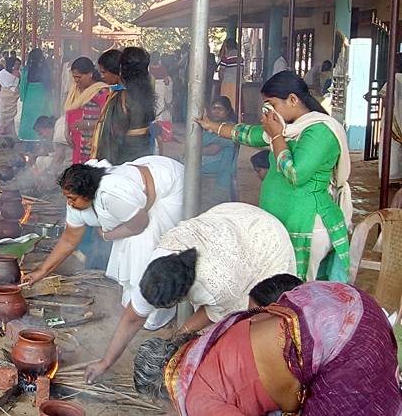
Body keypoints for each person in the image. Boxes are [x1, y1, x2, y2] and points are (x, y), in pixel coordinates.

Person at [83, 202, 296, 382]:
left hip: (265, 242)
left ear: (180, 297)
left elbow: (209, 314)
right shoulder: (160, 264)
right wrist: (105, 361)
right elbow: (132, 319)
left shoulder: (217, 286)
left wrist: (174, 342)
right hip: (230, 222)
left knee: (245, 322)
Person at [134, 282, 402, 416]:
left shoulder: (196, 400)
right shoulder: (205, 344)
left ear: (160, 390)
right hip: (347, 301)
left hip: (345, 341)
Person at [196, 71, 351, 281]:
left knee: (299, 288)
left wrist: (277, 135)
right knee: (277, 286)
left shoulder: (320, 131)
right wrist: (211, 126)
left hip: (306, 224)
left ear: (293, 100)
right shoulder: (289, 128)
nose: (267, 113)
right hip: (283, 220)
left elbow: (295, 173)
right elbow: (249, 134)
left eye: (271, 105)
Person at [24, 156, 185, 330]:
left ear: (89, 194)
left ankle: (155, 313)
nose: (68, 203)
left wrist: (110, 235)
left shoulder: (111, 195)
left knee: (146, 247)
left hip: (167, 184)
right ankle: (133, 304)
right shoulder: (77, 201)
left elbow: (140, 224)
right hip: (136, 195)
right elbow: (70, 239)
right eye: (66, 197)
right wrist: (41, 271)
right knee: (131, 246)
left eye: (72, 198)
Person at [92, 48, 155, 164]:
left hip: (123, 158)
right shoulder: (145, 93)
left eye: (103, 72)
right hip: (144, 154)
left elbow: (112, 136)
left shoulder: (121, 98)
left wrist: (104, 164)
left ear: (120, 70)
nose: (102, 76)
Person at [63, 57, 109, 163]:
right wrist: (67, 131)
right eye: (74, 77)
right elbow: (69, 109)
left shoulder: (101, 92)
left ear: (90, 74)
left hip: (91, 144)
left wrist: (88, 124)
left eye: (79, 77)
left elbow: (107, 119)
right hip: (76, 143)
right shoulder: (75, 89)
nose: (76, 80)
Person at [199, 96, 238, 211]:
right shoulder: (211, 125)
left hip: (220, 164)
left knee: (186, 166)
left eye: (220, 109)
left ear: (227, 112)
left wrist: (193, 152)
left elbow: (213, 150)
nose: (216, 111)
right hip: (211, 159)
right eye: (214, 108)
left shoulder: (228, 127)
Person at [17, 48, 53, 141]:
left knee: (28, 116)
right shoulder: (45, 68)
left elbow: (23, 84)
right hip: (41, 94)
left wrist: (22, 96)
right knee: (41, 114)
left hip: (29, 94)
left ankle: (27, 136)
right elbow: (49, 83)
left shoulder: (27, 69)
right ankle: (41, 135)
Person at [150, 54, 173, 153]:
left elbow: (167, 81)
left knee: (158, 115)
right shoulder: (151, 69)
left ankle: (159, 135)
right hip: (157, 94)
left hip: (158, 93)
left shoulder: (156, 69)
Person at [0, 56, 21, 135]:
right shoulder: (17, 73)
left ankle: (2, 129)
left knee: (3, 113)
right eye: (17, 64)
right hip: (13, 95)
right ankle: (10, 129)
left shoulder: (2, 73)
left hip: (3, 94)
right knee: (13, 113)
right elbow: (19, 84)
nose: (18, 66)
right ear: (13, 64)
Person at [216, 39, 241, 110]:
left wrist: (221, 80)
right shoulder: (240, 57)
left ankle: (227, 117)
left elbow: (221, 70)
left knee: (225, 102)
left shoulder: (226, 56)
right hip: (237, 83)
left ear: (227, 46)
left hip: (227, 82)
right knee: (235, 101)